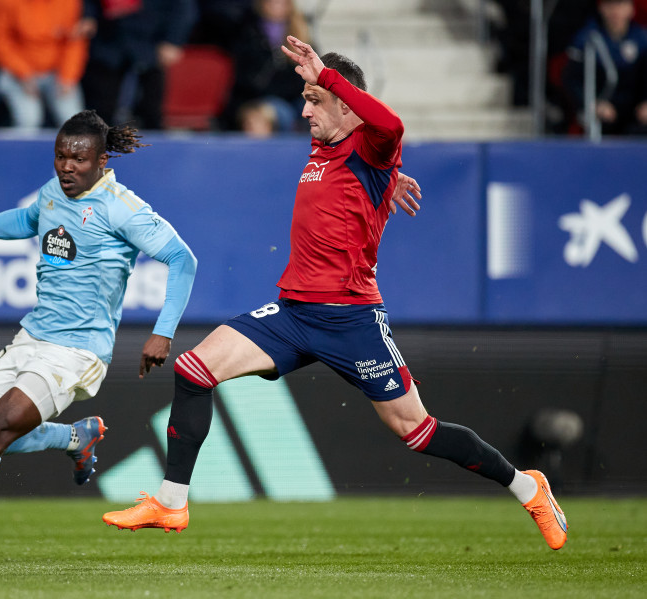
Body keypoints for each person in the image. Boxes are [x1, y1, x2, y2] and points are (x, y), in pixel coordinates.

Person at [102, 36, 568, 552]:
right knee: (194, 370)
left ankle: (529, 486)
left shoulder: (370, 141)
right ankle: (171, 502)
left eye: (313, 99)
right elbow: (359, 170)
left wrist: (335, 87)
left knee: (415, 431)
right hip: (294, 312)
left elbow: (390, 128)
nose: (303, 111)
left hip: (352, 319)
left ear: (342, 101)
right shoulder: (328, 147)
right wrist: (383, 174)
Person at [0, 109, 198, 563]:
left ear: (102, 161)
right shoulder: (54, 192)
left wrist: (162, 333)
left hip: (77, 350)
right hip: (33, 335)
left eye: (79, 159)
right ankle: (73, 439)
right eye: (60, 156)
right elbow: (26, 219)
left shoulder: (121, 208)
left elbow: (183, 260)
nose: (67, 166)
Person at [79, 0, 197, 129]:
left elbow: (184, 10)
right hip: (108, 44)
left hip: (150, 45)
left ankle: (153, 146)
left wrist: (173, 40)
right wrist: (87, 16)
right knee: (101, 111)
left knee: (150, 111)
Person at [0, 0, 88, 130]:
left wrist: (68, 77)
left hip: (57, 72)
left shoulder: (69, 2)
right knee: (29, 119)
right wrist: (23, 73)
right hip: (17, 72)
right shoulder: (4, 2)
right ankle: (19, 150)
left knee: (77, 123)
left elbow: (74, 41)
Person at [221, 0, 312, 132]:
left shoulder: (302, 35)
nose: (276, 4)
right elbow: (246, 79)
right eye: (271, 2)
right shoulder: (247, 33)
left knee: (320, 108)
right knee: (275, 112)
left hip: (294, 97)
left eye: (282, 2)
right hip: (256, 98)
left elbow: (312, 75)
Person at [562, 0, 647, 135]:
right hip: (603, 111)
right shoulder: (587, 39)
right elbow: (573, 79)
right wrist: (592, 104)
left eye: (621, 5)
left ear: (631, 9)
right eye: (610, 5)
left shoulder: (642, 38)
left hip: (634, 112)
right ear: (601, 8)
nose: (615, 11)